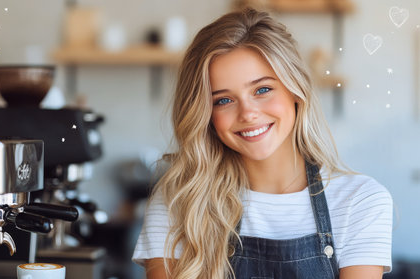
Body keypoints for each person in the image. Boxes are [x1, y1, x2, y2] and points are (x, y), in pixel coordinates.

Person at [132, 8, 393, 279]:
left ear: (296, 90)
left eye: (262, 90)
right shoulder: (179, 202)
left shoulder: (360, 202)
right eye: (223, 100)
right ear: (206, 114)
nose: (247, 113)